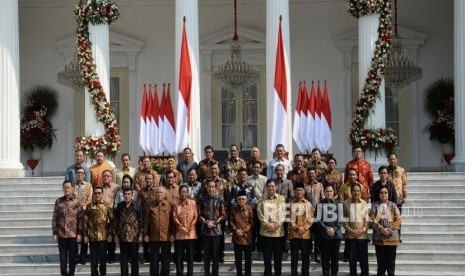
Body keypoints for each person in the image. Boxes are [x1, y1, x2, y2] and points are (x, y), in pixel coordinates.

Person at [369, 187, 402, 276]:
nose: (384, 194)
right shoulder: (375, 205)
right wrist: (381, 229)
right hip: (379, 239)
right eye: (381, 192)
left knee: (391, 264)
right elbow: (372, 219)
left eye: (385, 192)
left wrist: (389, 229)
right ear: (379, 194)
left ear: (388, 194)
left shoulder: (393, 205)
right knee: (381, 264)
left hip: (392, 239)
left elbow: (398, 220)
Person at [83, 186, 114, 276]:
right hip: (92, 237)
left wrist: (110, 234)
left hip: (104, 237)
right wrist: (85, 235)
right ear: (93, 194)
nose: (97, 195)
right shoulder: (89, 206)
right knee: (93, 260)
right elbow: (85, 221)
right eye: (95, 193)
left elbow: (113, 221)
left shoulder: (107, 205)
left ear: (102, 194)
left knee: (103, 260)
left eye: (99, 193)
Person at [52, 180, 82, 276]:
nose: (67, 189)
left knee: (72, 258)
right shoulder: (58, 201)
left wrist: (80, 233)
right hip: (61, 234)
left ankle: (71, 274)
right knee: (63, 259)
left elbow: (81, 219)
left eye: (68, 187)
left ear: (72, 188)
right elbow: (55, 218)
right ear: (63, 189)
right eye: (65, 188)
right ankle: (63, 274)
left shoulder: (77, 201)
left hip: (73, 235)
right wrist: (55, 233)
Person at [257, 179, 286, 276]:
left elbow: (283, 214)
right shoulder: (262, 199)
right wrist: (267, 224)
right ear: (266, 187)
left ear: (276, 187)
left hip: (278, 234)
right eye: (269, 186)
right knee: (267, 259)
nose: (271, 188)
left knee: (278, 259)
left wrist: (276, 225)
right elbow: (259, 213)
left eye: (273, 186)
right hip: (265, 233)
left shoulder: (281, 199)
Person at [144, 186, 174, 276]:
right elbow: (146, 221)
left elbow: (172, 221)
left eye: (161, 192)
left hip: (166, 236)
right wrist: (145, 234)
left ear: (165, 194)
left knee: (166, 260)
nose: (159, 194)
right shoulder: (150, 205)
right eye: (157, 192)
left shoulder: (169, 205)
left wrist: (173, 233)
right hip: (154, 236)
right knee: (154, 259)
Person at [199, 180, 226, 276]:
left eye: (213, 187)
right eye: (209, 187)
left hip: (216, 231)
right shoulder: (202, 199)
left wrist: (214, 222)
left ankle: (215, 273)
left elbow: (223, 215)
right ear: (206, 188)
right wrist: (206, 222)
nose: (211, 188)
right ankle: (207, 273)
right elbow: (199, 214)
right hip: (205, 231)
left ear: (215, 188)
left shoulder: (219, 199)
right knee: (206, 255)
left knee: (215, 255)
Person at [114, 188, 143, 276]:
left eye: (129, 194)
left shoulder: (137, 205)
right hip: (122, 236)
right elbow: (116, 221)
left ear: (132, 195)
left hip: (134, 236)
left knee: (134, 259)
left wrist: (141, 234)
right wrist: (116, 235)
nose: (127, 196)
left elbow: (141, 221)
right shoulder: (119, 206)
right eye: (125, 194)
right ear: (123, 195)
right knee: (123, 259)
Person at [343, 183, 369, 276]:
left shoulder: (364, 203)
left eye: (358, 190)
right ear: (351, 192)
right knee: (352, 261)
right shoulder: (346, 203)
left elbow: (367, 221)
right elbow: (344, 220)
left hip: (362, 237)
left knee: (364, 261)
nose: (356, 192)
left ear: (360, 192)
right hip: (351, 237)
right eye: (354, 190)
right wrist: (351, 231)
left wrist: (362, 230)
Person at [316, 185, 342, 276]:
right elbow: (318, 220)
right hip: (324, 235)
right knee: (325, 258)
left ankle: (334, 274)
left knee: (335, 258)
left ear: (333, 192)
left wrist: (333, 229)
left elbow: (340, 220)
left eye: (331, 191)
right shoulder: (319, 204)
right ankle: (326, 274)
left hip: (336, 235)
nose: (329, 193)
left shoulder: (339, 204)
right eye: (327, 191)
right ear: (324, 192)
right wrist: (326, 229)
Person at [172, 185, 198, 276]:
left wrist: (190, 227)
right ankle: (179, 273)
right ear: (179, 193)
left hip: (190, 234)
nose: (183, 193)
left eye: (185, 192)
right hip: (179, 235)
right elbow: (174, 218)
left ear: (188, 193)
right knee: (179, 257)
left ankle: (190, 273)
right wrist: (182, 228)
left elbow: (195, 216)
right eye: (182, 192)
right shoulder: (176, 204)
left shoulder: (193, 203)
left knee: (190, 257)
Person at [289, 182, 313, 276]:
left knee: (305, 257)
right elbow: (289, 218)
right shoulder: (290, 204)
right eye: (297, 190)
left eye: (301, 190)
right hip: (294, 234)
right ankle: (293, 273)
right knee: (294, 257)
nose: (299, 192)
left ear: (304, 191)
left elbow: (311, 219)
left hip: (306, 234)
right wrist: (297, 228)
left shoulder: (308, 204)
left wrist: (304, 228)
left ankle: (305, 273)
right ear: (294, 192)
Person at [229, 190, 254, 276]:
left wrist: (246, 229)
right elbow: (231, 221)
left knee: (248, 259)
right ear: (237, 200)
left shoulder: (250, 209)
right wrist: (236, 230)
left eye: (243, 199)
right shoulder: (233, 209)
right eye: (239, 199)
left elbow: (252, 221)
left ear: (246, 200)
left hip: (247, 237)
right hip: (237, 238)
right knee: (238, 259)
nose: (241, 201)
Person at [73, 167, 93, 265]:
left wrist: (84, 205)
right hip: (74, 215)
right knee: (75, 236)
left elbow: (90, 198)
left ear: (84, 175)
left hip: (85, 214)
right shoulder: (72, 186)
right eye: (78, 173)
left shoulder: (89, 185)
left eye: (81, 173)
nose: (80, 174)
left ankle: (83, 256)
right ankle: (76, 256)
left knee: (85, 234)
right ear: (76, 175)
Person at [304, 167, 324, 263]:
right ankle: (308, 254)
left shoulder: (320, 185)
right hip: (307, 215)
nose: (311, 175)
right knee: (308, 236)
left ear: (315, 174)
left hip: (317, 215)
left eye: (313, 173)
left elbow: (323, 199)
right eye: (309, 173)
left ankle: (317, 255)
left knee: (317, 236)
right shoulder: (304, 186)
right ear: (307, 174)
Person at [100, 170, 120, 263]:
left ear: (111, 177)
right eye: (104, 176)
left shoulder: (116, 187)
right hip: (101, 216)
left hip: (112, 215)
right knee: (103, 237)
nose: (106, 178)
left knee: (111, 235)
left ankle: (111, 257)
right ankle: (103, 257)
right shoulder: (98, 187)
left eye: (108, 176)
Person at [247, 160, 267, 251]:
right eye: (254, 167)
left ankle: (260, 245)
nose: (256, 169)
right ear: (252, 168)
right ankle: (252, 245)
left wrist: (259, 202)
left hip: (261, 206)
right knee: (252, 226)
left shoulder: (264, 179)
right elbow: (247, 192)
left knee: (260, 226)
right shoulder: (248, 179)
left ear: (261, 169)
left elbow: (266, 192)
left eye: (258, 168)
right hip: (250, 206)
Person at [139, 173, 158, 263]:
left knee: (154, 237)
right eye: (146, 179)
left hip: (154, 217)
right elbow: (140, 204)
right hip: (145, 216)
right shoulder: (142, 191)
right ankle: (146, 256)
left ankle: (155, 256)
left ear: (153, 180)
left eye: (150, 179)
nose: (148, 180)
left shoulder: (157, 190)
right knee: (145, 236)